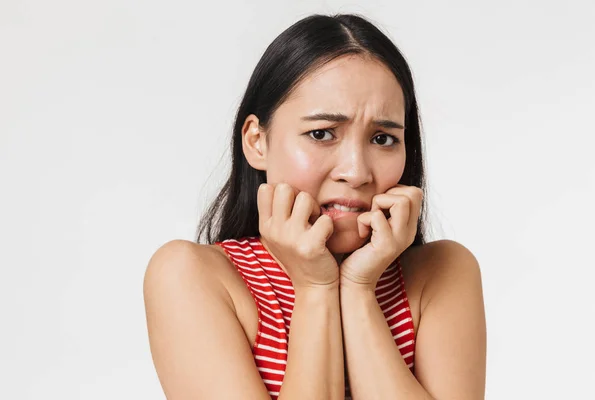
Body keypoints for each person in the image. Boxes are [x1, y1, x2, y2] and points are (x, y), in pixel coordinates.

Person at [143, 13, 486, 400]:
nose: (356, 172)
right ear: (258, 141)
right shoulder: (191, 276)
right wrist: (315, 288)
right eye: (321, 133)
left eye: (382, 138)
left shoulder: (441, 275)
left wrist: (358, 290)